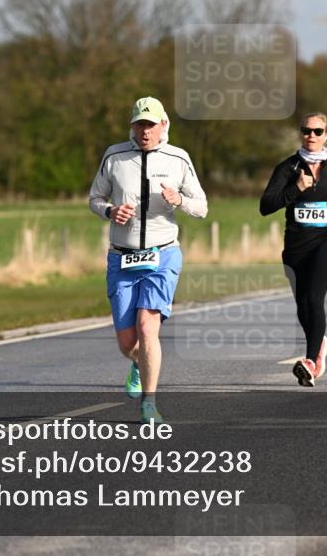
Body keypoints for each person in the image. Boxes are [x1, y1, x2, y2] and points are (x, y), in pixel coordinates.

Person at [89, 97, 208, 422]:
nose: (145, 131)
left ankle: (149, 402)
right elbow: (95, 198)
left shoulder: (178, 158)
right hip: (122, 259)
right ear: (132, 126)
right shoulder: (114, 156)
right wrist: (110, 211)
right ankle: (137, 363)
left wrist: (179, 199)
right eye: (139, 124)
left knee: (147, 326)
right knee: (128, 341)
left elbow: (202, 207)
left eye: (150, 124)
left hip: (162, 255)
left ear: (163, 125)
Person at [261, 113, 327, 386]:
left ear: (326, 134)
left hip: (326, 240)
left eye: (317, 131)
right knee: (303, 304)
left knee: (314, 298)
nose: (311, 135)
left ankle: (312, 361)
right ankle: (319, 341)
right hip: (296, 245)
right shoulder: (287, 168)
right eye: (306, 130)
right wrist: (295, 189)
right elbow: (265, 206)